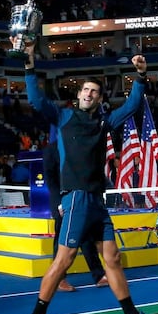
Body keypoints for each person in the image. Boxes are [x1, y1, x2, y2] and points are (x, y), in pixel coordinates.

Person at [19, 42, 158, 314]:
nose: (88, 94)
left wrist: (139, 77)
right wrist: (29, 64)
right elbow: (36, 99)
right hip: (75, 198)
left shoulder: (104, 123)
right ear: (78, 95)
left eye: (94, 91)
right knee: (63, 261)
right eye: (85, 90)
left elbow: (132, 107)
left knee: (111, 258)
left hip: (96, 202)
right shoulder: (63, 117)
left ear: (99, 98)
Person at [44, 125, 107, 292]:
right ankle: (59, 278)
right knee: (61, 241)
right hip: (61, 204)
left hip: (79, 201)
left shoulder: (78, 148)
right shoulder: (50, 150)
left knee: (87, 239)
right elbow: (51, 181)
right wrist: (59, 203)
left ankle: (99, 275)